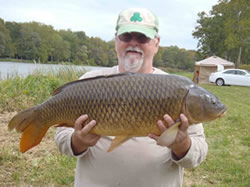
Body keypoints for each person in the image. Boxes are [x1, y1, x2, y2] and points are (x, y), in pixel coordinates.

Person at [55, 8, 208, 187]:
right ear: (116, 41)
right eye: (126, 36)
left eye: (142, 38)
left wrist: (182, 146)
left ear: (156, 43)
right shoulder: (89, 82)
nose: (133, 43)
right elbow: (61, 138)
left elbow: (198, 155)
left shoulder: (178, 89)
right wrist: (76, 141)